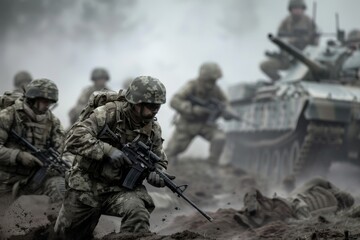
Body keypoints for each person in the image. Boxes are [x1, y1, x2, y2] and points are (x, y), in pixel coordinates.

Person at [54, 76, 168, 239]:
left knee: (138, 211)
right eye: (151, 106)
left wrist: (158, 173)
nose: (155, 110)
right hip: (87, 185)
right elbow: (73, 138)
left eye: (158, 106)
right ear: (136, 103)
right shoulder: (108, 113)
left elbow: (159, 159)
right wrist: (108, 151)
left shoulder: (153, 129)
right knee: (65, 236)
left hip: (120, 190)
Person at [0, 78, 65, 214]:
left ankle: (57, 231)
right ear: (33, 98)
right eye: (45, 101)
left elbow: (63, 149)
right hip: (6, 179)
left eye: (51, 103)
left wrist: (64, 161)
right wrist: (18, 156)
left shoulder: (52, 122)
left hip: (35, 177)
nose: (48, 106)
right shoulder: (9, 115)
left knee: (60, 186)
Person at [165, 62, 237, 165]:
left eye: (214, 81)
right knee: (170, 152)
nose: (211, 84)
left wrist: (228, 112)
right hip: (187, 124)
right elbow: (174, 101)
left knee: (219, 138)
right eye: (209, 80)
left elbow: (225, 104)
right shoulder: (191, 85)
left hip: (206, 124)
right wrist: (192, 109)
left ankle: (212, 165)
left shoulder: (216, 90)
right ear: (203, 77)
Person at [234, 178, 354, 228]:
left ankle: (253, 217)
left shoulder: (333, 208)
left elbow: (311, 219)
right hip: (288, 203)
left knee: (277, 217)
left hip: (294, 208)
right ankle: (251, 213)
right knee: (256, 196)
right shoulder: (318, 190)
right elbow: (317, 179)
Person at [260, 0, 318, 81]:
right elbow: (279, 37)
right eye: (295, 8)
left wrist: (297, 40)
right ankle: (281, 82)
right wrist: (286, 42)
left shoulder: (308, 22)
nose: (297, 11)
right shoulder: (285, 22)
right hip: (286, 59)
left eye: (299, 8)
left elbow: (314, 42)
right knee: (264, 66)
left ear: (303, 9)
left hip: (303, 60)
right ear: (290, 10)